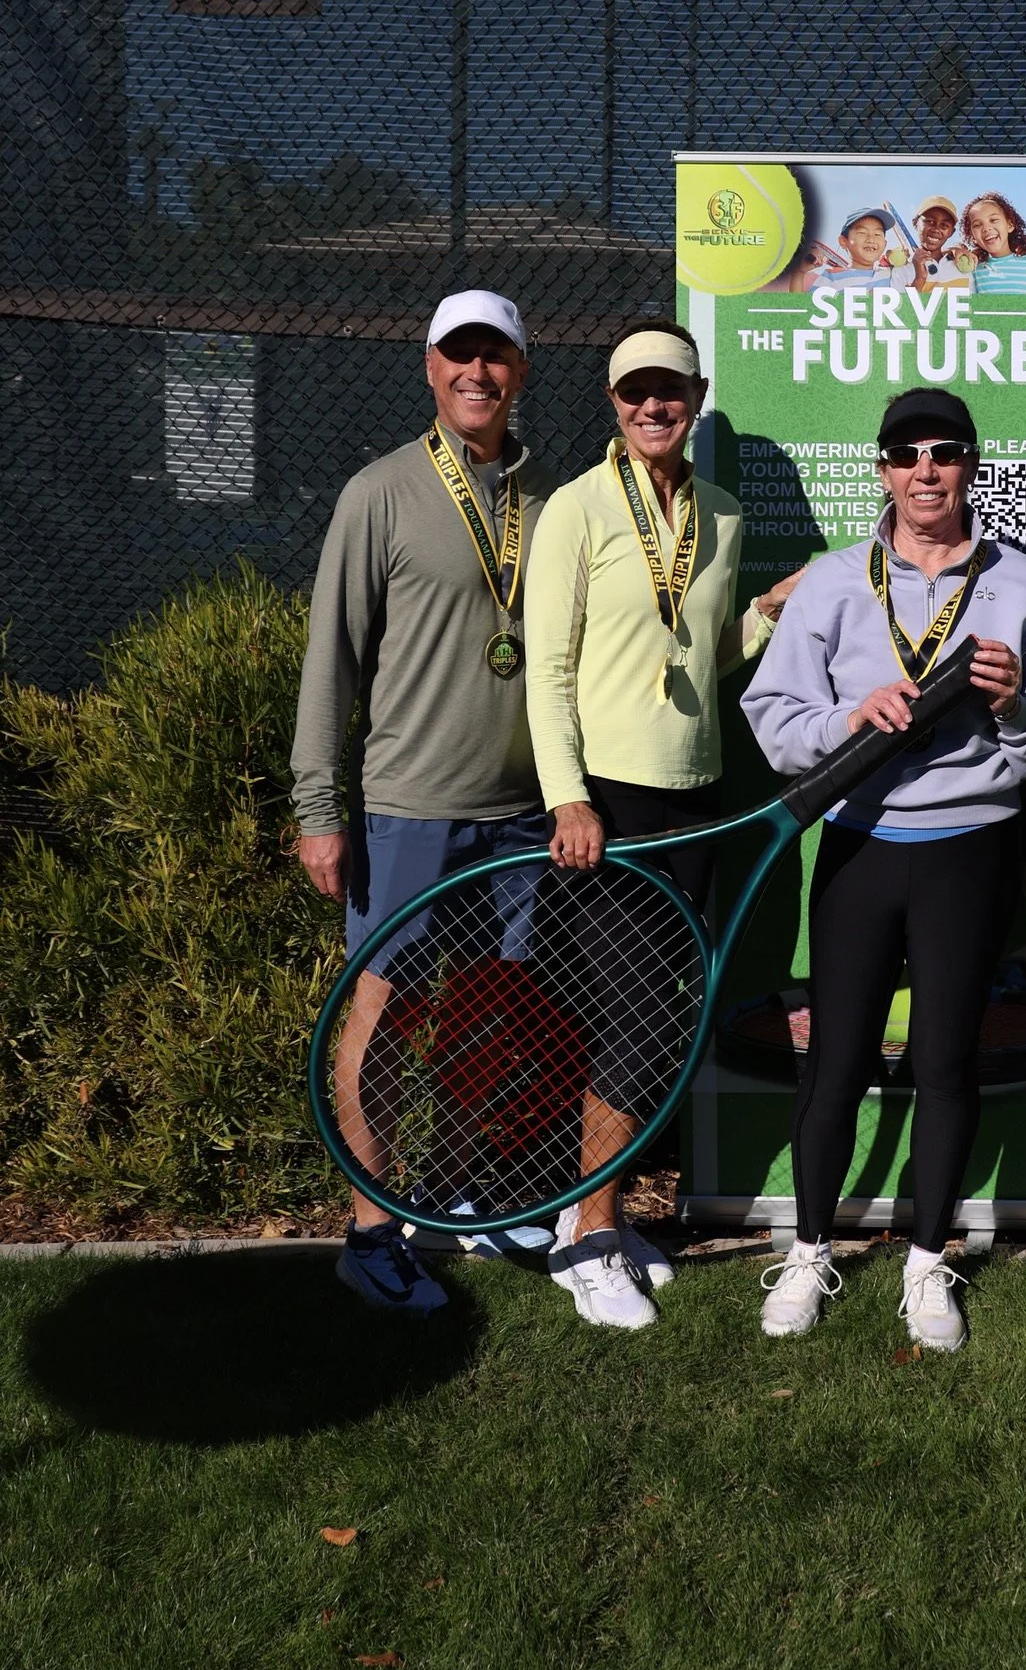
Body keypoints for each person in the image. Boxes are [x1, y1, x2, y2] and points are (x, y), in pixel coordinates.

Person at [741, 388, 1026, 1353]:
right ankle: (810, 1249)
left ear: (970, 464)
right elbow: (773, 717)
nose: (925, 470)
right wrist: (849, 720)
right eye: (906, 454)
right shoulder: (833, 583)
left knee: (944, 1059)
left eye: (944, 452)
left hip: (971, 849)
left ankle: (928, 1260)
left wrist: (1016, 709)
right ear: (883, 471)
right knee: (839, 1058)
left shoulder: (1020, 584)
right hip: (859, 845)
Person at [523, 320, 802, 1330]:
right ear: (613, 401)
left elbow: (705, 653)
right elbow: (549, 672)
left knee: (657, 1020)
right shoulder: (577, 509)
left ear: (696, 395)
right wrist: (568, 798)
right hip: (605, 803)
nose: (653, 406)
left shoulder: (721, 516)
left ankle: (594, 1221)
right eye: (636, 390)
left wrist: (769, 610)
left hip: (695, 798)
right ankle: (587, 1234)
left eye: (671, 390)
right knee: (633, 1020)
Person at [292, 290, 558, 1315]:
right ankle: (369, 1231)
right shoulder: (382, 493)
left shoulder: (547, 500)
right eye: (459, 356)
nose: (476, 374)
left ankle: (454, 1201)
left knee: (490, 1019)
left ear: (522, 372)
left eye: (495, 357)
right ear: (429, 367)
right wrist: (320, 807)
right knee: (383, 1014)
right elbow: (332, 663)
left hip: (523, 813)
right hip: (408, 808)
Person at [960, 190, 1026, 295]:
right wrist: (956, 249)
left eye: (993, 220)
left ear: (1009, 225)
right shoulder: (974, 266)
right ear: (972, 236)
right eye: (977, 225)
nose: (986, 228)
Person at [910, 192, 967, 285]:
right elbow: (901, 300)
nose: (936, 229)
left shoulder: (962, 264)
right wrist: (919, 279)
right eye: (930, 221)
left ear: (951, 232)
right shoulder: (900, 268)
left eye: (944, 225)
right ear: (915, 223)